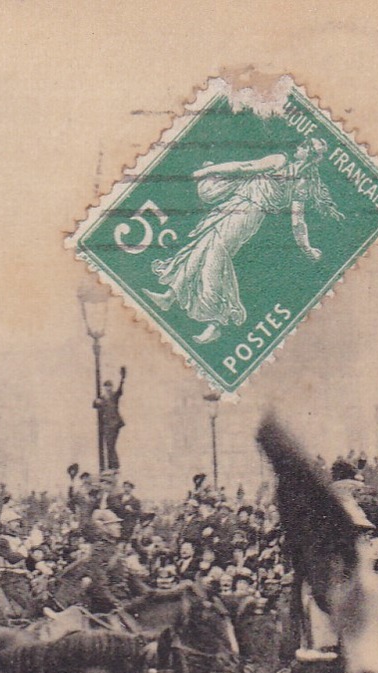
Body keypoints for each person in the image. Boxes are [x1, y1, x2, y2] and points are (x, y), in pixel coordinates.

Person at [144, 138, 344, 345]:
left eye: (303, 145)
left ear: (308, 153)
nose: (298, 146)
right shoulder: (299, 177)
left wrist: (204, 172)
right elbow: (297, 220)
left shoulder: (282, 163)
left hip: (246, 213)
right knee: (202, 244)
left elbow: (243, 167)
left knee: (215, 255)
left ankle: (215, 321)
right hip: (240, 207)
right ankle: (170, 295)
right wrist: (307, 248)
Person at [94, 366, 127, 472]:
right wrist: (96, 402)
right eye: (106, 387)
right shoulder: (102, 399)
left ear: (111, 387)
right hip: (106, 424)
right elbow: (94, 405)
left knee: (110, 444)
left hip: (114, 423)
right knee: (108, 444)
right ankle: (112, 465)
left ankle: (114, 465)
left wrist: (122, 379)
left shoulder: (114, 396)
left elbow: (120, 391)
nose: (108, 388)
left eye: (109, 386)